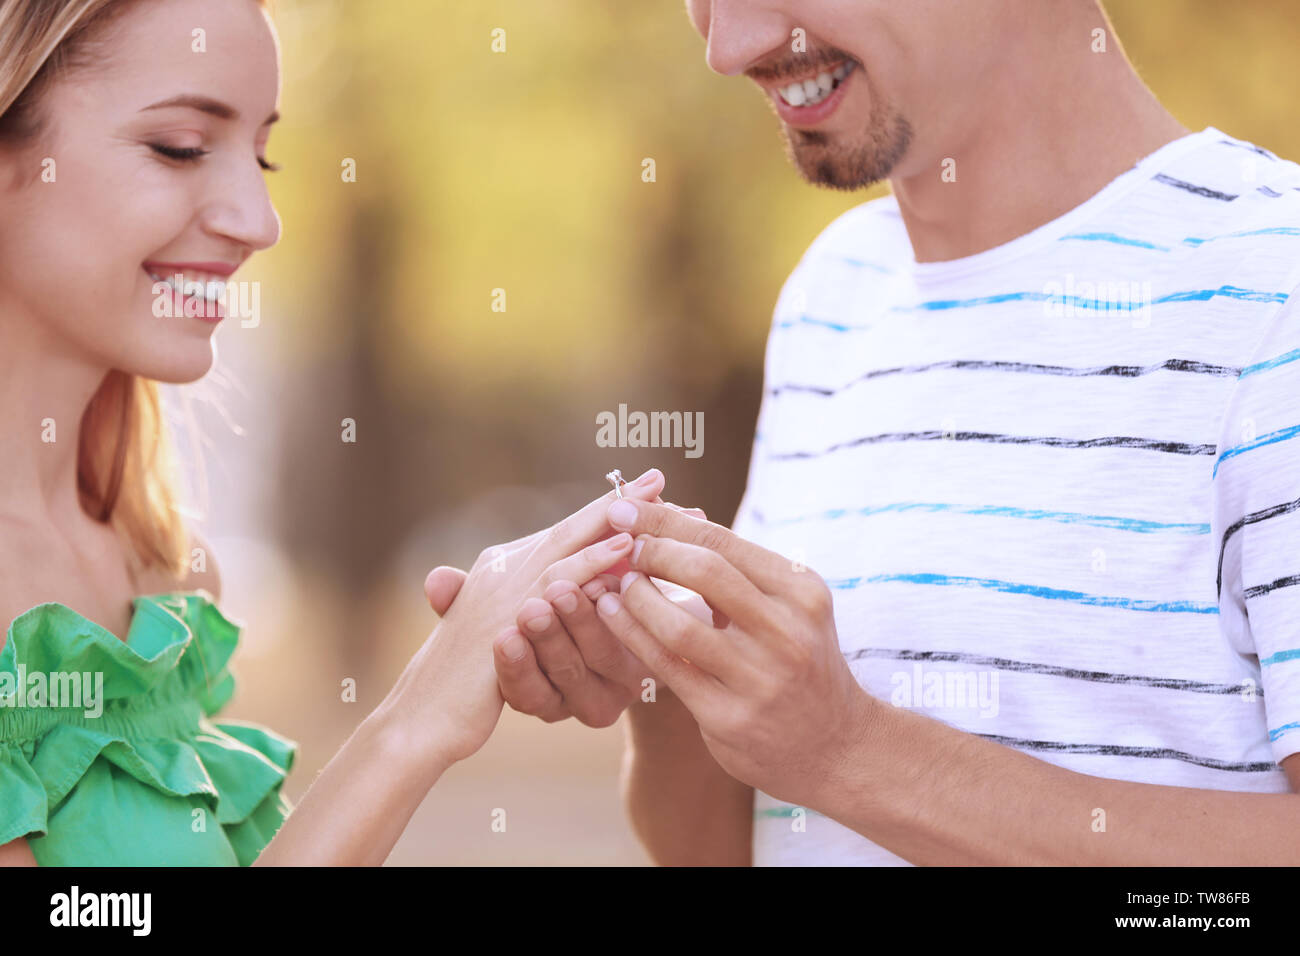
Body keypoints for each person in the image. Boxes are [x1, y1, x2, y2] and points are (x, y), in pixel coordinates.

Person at [487, 0, 1300, 864]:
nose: (729, 46)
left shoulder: (1274, 290)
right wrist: (667, 673)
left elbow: (832, 759)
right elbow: (736, 847)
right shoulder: (834, 296)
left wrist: (851, 754)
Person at [0, 0, 686, 866]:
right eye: (179, 147)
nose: (259, 220)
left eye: (261, 155)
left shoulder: (163, 573)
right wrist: (418, 716)